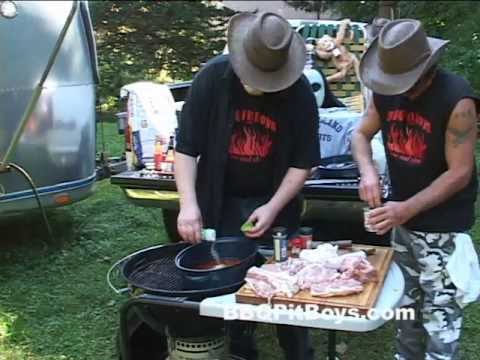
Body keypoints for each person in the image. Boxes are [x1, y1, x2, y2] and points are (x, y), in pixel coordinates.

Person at [174, 11, 320, 360]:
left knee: (287, 287)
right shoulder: (212, 78)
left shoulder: (300, 93)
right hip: (219, 201)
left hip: (277, 203)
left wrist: (272, 207)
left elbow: (303, 163)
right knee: (228, 282)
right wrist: (188, 204)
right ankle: (240, 348)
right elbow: (186, 148)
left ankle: (297, 350)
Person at [352, 19, 479, 359]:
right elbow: (360, 134)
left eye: (406, 84)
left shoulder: (457, 99)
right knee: (404, 305)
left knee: (440, 313)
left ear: (428, 70)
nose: (400, 91)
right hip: (402, 220)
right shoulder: (386, 89)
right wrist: (367, 172)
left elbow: (460, 172)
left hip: (443, 226)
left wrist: (405, 208)